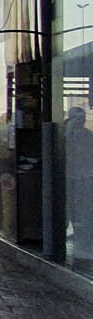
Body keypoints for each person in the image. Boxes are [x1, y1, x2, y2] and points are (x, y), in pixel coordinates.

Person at [68, 107, 93, 266]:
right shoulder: (69, 136)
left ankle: (82, 239)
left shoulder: (85, 137)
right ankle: (80, 237)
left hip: (82, 178)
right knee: (77, 209)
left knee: (81, 209)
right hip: (77, 177)